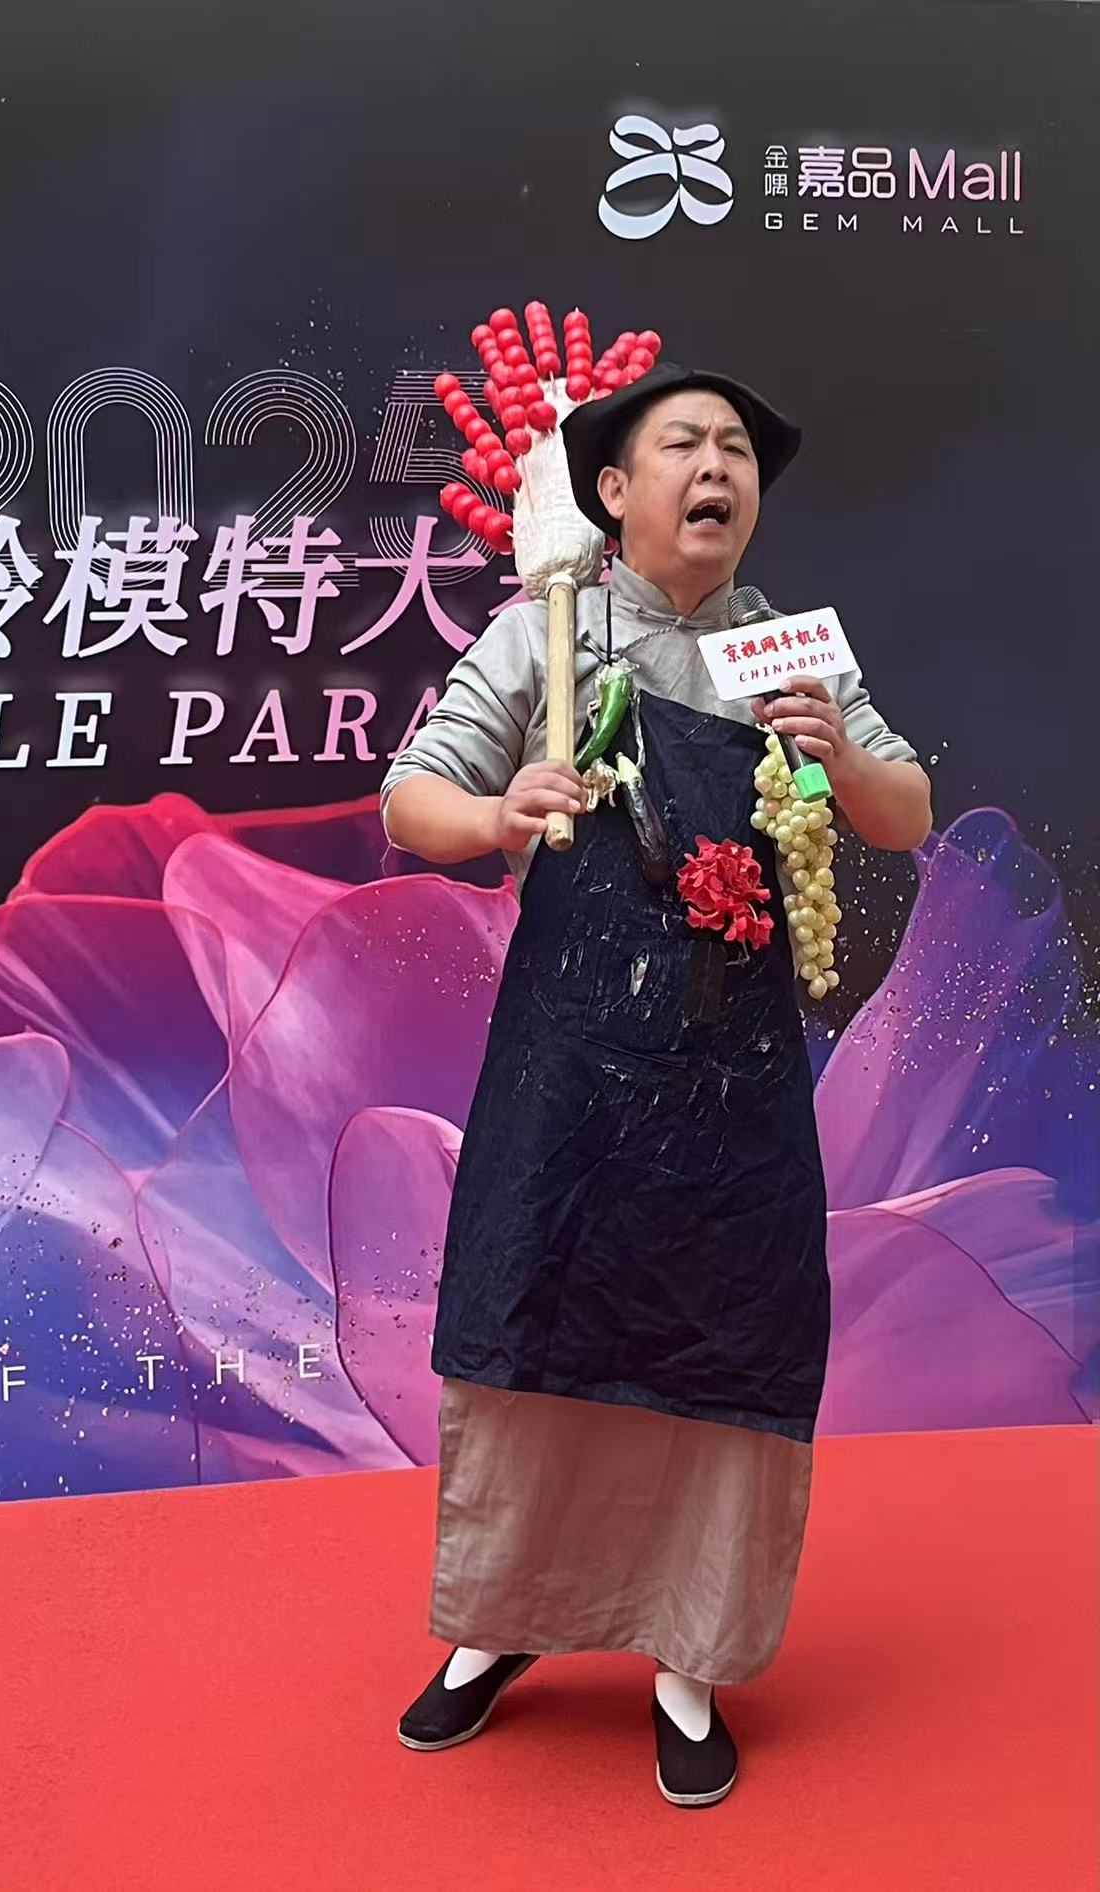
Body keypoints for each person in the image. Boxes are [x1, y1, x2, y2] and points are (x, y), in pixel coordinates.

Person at [379, 362, 931, 1806]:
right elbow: (411, 799)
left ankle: (690, 1658)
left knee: (721, 1355)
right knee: (533, 1332)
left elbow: (904, 810)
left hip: (734, 1078)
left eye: (736, 449)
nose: (717, 467)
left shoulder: (790, 646)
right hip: (569, 1067)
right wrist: (498, 811)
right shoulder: (546, 630)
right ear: (612, 493)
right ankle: (501, 1624)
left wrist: (839, 759)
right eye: (683, 443)